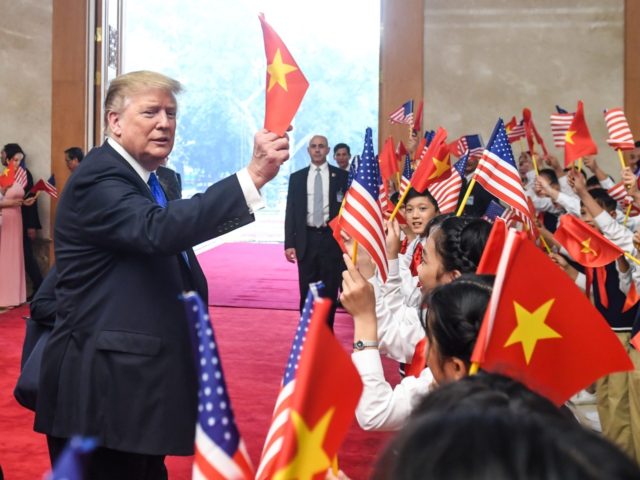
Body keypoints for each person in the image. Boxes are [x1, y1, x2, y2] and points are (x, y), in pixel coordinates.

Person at [34, 70, 289, 478]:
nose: (164, 123)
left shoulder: (148, 180)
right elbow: (158, 230)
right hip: (104, 394)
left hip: (135, 391)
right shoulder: (101, 177)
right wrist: (253, 176)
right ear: (114, 122)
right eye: (150, 112)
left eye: (171, 113)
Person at [284, 135, 348, 328]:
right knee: (307, 290)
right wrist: (289, 243)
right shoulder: (297, 178)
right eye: (313, 146)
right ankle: (307, 332)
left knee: (329, 290)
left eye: (321, 146)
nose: (317, 150)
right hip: (307, 239)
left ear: (328, 150)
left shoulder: (342, 177)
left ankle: (326, 334)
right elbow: (291, 212)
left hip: (331, 240)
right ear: (309, 150)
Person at [2, 143, 43, 297]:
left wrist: (31, 226)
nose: (2, 157)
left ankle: (39, 287)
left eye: (4, 154)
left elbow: (31, 201)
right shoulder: (7, 174)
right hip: (8, 220)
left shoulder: (26, 174)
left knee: (25, 256)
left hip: (23, 222)